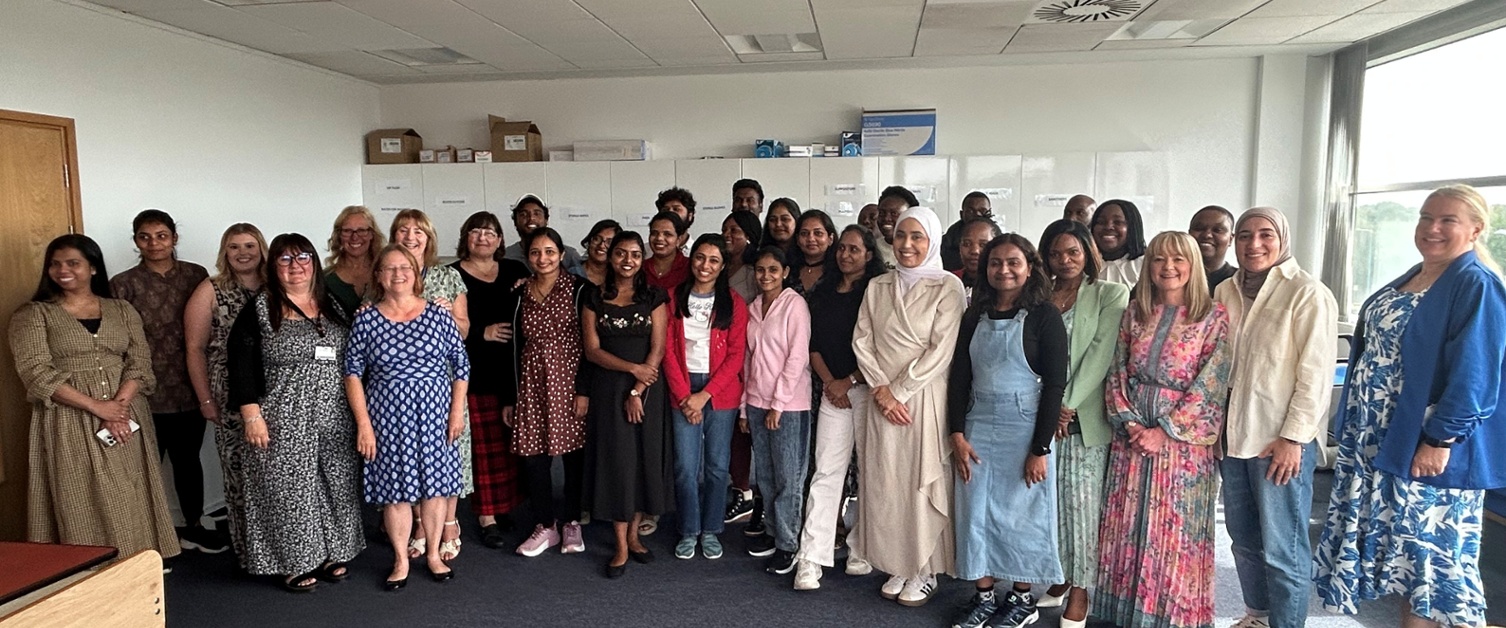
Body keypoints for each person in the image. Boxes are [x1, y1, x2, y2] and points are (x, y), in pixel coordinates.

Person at [1315, 184, 1506, 628]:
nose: (1431, 228)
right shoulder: (1416, 275)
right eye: (1425, 217)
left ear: (1476, 229)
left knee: (1431, 567)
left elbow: (1475, 376)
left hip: (1425, 452)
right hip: (1379, 444)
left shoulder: (1475, 284)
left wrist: (1441, 439)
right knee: (1405, 565)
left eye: (1447, 220)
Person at [10, 235, 181, 561]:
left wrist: (117, 408)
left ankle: (137, 561)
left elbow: (140, 363)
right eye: (55, 263)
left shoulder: (121, 309)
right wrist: (97, 407)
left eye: (73, 262)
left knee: (129, 490)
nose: (63, 270)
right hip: (69, 416)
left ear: (92, 268)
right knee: (83, 494)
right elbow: (36, 373)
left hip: (127, 412)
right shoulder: (34, 315)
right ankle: (92, 570)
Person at [1095, 231, 1230, 628]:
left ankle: (1170, 617)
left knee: (1172, 536)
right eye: (1158, 260)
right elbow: (1116, 370)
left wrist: (1165, 431)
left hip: (1182, 448)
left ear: (1193, 265)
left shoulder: (1213, 316)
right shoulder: (1135, 311)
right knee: (1128, 527)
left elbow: (1212, 383)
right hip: (1132, 439)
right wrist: (1132, 423)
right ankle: (1127, 614)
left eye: (1178, 260)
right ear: (1148, 266)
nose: (1167, 268)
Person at [1215, 207, 1337, 628]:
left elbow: (1315, 376)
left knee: (1284, 548)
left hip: (1278, 443)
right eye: (1245, 235)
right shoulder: (1226, 292)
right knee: (1244, 540)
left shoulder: (1307, 293)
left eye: (1265, 235)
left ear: (1282, 239)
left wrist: (1294, 438)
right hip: (1232, 438)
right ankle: (1258, 616)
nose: (1254, 244)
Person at [227, 233, 364, 592]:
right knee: (291, 490)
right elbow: (239, 364)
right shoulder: (260, 308)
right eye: (285, 259)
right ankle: (295, 561)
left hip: (335, 413)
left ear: (315, 263)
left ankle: (335, 551)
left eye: (303, 256)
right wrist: (251, 415)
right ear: (273, 267)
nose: (295, 265)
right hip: (282, 416)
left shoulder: (332, 303)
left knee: (336, 484)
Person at [948, 234, 1069, 628]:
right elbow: (960, 377)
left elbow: (1054, 384)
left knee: (1022, 514)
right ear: (986, 269)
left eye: (1013, 262)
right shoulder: (973, 315)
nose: (1004, 270)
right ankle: (983, 596)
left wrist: (1041, 447)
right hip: (978, 419)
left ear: (1029, 267)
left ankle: (1021, 599)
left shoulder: (1044, 316)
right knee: (975, 507)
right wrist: (956, 432)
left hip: (1025, 423)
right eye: (995, 263)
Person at [850, 206, 965, 607]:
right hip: (882, 398)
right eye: (901, 236)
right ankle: (899, 562)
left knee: (920, 482)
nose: (908, 245)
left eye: (918, 237)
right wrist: (881, 387)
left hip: (922, 397)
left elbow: (942, 349)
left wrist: (897, 389)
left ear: (932, 240)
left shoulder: (947, 286)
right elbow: (862, 340)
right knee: (887, 482)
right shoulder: (878, 286)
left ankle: (926, 569)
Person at [345, 244, 469, 590]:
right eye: (390, 268)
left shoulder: (438, 315)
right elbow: (352, 372)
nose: (398, 274)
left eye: (406, 268)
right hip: (387, 417)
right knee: (395, 491)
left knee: (435, 488)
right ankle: (400, 558)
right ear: (379, 276)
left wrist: (456, 411)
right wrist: (364, 424)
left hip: (435, 414)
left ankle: (432, 554)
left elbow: (462, 366)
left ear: (416, 275)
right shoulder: (367, 319)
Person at [109, 209, 222, 553]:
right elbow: (117, 337)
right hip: (143, 387)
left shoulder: (195, 275)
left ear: (174, 238)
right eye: (145, 237)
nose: (154, 243)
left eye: (161, 235)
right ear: (136, 241)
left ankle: (193, 525)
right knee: (144, 464)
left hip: (189, 383)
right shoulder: (123, 283)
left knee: (189, 460)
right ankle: (146, 537)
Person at [1035, 219, 1130, 628]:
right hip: (1038, 417)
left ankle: (1081, 590)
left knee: (1082, 510)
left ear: (1088, 253)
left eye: (1073, 252)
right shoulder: (1038, 295)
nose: (1065, 260)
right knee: (1049, 507)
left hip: (1079, 420)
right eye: (1056, 253)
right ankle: (1060, 576)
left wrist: (1064, 404)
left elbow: (1100, 353)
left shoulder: (1110, 293)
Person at [793, 225, 887, 591]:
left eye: (854, 249)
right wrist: (832, 382)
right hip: (832, 390)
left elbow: (881, 348)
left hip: (868, 389)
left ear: (868, 254)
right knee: (826, 472)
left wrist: (849, 381)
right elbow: (811, 344)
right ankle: (811, 559)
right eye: (842, 248)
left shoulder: (878, 292)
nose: (846, 255)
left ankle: (861, 549)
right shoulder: (824, 291)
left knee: (869, 473)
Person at [581, 231, 673, 578]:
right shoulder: (593, 297)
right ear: (610, 256)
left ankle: (635, 536)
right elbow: (592, 350)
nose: (627, 260)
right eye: (620, 253)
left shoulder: (654, 296)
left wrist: (637, 388)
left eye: (635, 254)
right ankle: (619, 545)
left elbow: (659, 347)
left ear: (641, 258)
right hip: (608, 388)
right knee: (618, 463)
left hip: (647, 389)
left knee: (642, 461)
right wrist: (630, 370)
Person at [390, 208, 471, 562]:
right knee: (409, 457)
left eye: (418, 231)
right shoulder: (386, 277)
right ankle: (422, 524)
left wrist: (448, 317)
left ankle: (449, 523)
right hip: (399, 390)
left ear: (429, 237)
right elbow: (371, 317)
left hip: (443, 385)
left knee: (446, 455)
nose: (411, 236)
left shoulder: (448, 277)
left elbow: (465, 329)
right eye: (403, 230)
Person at [184, 223, 267, 567]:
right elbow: (194, 347)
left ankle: (277, 541)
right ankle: (248, 548)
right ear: (225, 252)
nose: (242, 253)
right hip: (229, 390)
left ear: (261, 248)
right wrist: (205, 399)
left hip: (274, 388)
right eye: (234, 247)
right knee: (239, 469)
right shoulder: (211, 289)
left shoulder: (276, 284)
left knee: (272, 467)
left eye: (249, 245)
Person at [664, 234, 748, 561]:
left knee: (716, 466)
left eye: (714, 260)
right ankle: (688, 529)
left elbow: (737, 354)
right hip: (682, 388)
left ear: (723, 265)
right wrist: (687, 396)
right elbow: (667, 351)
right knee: (685, 466)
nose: (705, 265)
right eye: (700, 257)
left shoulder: (733, 302)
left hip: (720, 391)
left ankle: (711, 528)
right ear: (691, 259)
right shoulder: (673, 298)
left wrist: (705, 395)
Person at [451, 212, 531, 548]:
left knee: (509, 445)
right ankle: (486, 517)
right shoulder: (452, 276)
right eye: (475, 231)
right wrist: (479, 333)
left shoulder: (514, 270)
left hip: (512, 372)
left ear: (500, 240)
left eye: (490, 232)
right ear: (465, 238)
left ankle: (503, 507)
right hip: (475, 373)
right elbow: (442, 328)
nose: (483, 237)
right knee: (483, 450)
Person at [512, 228, 593, 558]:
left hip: (569, 380)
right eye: (535, 252)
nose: (542, 258)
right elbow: (515, 345)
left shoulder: (579, 289)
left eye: (549, 251)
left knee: (574, 457)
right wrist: (511, 394)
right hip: (531, 382)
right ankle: (546, 525)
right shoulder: (519, 293)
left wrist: (584, 390)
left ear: (561, 255)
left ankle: (572, 521)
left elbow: (590, 344)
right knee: (534, 457)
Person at [742, 245, 813, 574]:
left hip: (788, 406)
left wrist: (778, 404)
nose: (766, 276)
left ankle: (788, 544)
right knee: (767, 477)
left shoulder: (794, 305)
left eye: (773, 270)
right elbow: (749, 359)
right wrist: (745, 407)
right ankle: (772, 533)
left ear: (785, 272)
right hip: (757, 403)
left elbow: (797, 359)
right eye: (760, 270)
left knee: (788, 478)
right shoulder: (754, 307)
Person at [721, 210, 765, 529]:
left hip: (752, 357)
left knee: (751, 428)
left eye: (735, 231)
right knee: (734, 431)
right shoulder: (720, 267)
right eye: (725, 230)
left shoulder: (753, 272)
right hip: (723, 357)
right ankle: (741, 490)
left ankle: (755, 495)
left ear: (749, 235)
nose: (728, 236)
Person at [324, 205, 385, 313]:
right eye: (347, 231)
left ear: (372, 234)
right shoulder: (325, 279)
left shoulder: (387, 273)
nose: (355, 237)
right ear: (339, 236)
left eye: (361, 230)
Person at [504, 195, 583, 275]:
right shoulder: (506, 256)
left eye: (537, 213)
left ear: (546, 220)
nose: (531, 218)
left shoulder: (569, 255)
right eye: (523, 214)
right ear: (515, 221)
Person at [1089, 199, 1147, 286]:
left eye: (1118, 222)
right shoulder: (1084, 263)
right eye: (1101, 222)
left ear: (1132, 228)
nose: (1108, 227)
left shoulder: (1145, 265)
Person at [941, 191, 997, 272]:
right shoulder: (948, 240)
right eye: (970, 211)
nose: (977, 214)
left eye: (983, 211)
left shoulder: (999, 237)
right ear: (961, 214)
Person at [953, 218, 1004, 305]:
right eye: (967, 244)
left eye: (983, 245)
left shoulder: (1004, 283)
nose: (975, 251)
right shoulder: (949, 281)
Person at [1190, 205, 1237, 293]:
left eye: (1218, 230)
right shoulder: (1173, 277)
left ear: (1231, 239)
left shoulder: (1240, 281)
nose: (1207, 235)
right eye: (1199, 228)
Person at [790, 209, 837, 294]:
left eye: (818, 233)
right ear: (797, 239)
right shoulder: (788, 270)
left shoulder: (838, 272)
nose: (811, 239)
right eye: (804, 233)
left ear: (830, 238)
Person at [873, 186, 919, 269]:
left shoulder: (920, 250)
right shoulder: (873, 248)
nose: (886, 218)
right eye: (882, 213)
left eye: (894, 213)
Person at [721, 211, 763, 302]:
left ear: (748, 237)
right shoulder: (719, 266)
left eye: (733, 230)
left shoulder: (755, 272)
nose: (726, 235)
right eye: (724, 230)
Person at [646, 211, 691, 292]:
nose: (659, 238)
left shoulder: (690, 268)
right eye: (654, 233)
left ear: (679, 240)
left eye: (667, 234)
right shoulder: (640, 268)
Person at [579, 219, 622, 287]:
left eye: (609, 242)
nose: (601, 245)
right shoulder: (572, 273)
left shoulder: (620, 276)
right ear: (589, 241)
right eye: (597, 239)